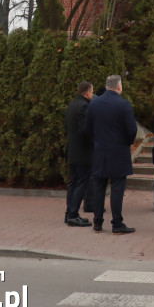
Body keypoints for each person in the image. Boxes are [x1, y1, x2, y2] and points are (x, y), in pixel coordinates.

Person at [83, 74, 137, 234]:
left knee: (99, 187)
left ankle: (97, 222)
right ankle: (117, 222)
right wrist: (125, 143)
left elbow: (86, 128)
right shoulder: (123, 105)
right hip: (119, 152)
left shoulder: (94, 103)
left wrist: (97, 141)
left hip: (100, 152)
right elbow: (132, 130)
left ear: (106, 86)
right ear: (118, 87)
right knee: (117, 188)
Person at [64, 80, 94, 227]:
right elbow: (85, 130)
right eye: (92, 92)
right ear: (88, 92)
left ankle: (69, 212)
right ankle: (73, 214)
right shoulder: (84, 106)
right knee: (82, 182)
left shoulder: (71, 105)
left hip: (72, 151)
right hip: (83, 152)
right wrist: (94, 142)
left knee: (73, 182)